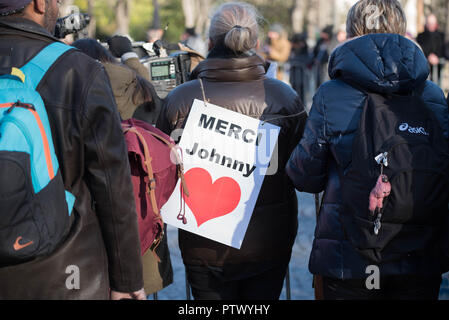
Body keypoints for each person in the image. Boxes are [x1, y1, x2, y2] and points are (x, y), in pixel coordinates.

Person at [286, 0, 449, 300]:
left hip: (349, 255)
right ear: (401, 29)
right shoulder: (433, 95)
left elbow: (305, 176)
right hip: (419, 251)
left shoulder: (331, 94)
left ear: (352, 32)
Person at [157, 1, 307, 300]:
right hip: (269, 242)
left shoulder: (180, 100)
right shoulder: (283, 98)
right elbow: (302, 167)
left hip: (203, 245)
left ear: (210, 43)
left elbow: (162, 168)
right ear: (256, 43)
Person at [0, 0, 145, 299]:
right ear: (39, 3)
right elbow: (112, 185)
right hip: (67, 272)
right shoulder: (79, 69)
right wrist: (127, 282)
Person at [72, 37, 173, 296]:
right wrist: (129, 55)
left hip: (91, 227)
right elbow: (156, 95)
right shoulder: (141, 89)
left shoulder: (74, 89)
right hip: (144, 217)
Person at [417, 14, 447, 85]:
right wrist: (428, 57)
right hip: (425, 70)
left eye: (432, 23)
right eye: (429, 24)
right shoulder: (420, 36)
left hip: (438, 69)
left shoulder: (441, 36)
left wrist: (437, 58)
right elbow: (420, 49)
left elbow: (444, 51)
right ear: (426, 24)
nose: (431, 26)